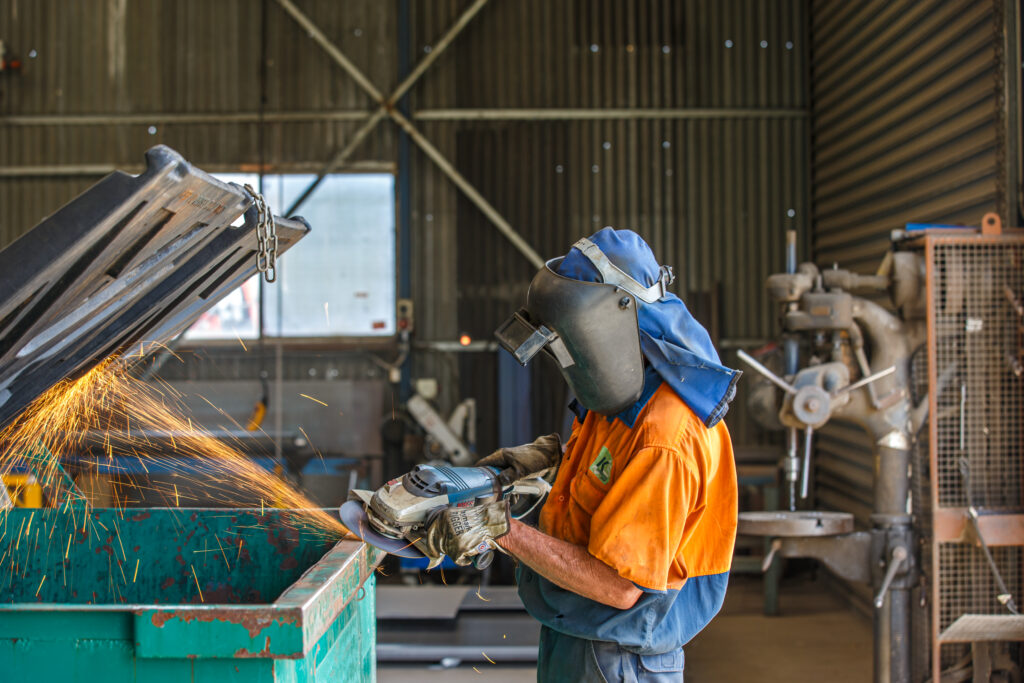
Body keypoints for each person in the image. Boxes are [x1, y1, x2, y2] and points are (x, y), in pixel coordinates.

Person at [426, 228, 740, 682]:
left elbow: (618, 586)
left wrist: (495, 525)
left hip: (620, 658)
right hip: (578, 634)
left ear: (610, 323)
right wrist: (543, 460)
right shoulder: (625, 399)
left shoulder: (666, 435)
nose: (569, 359)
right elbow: (605, 470)